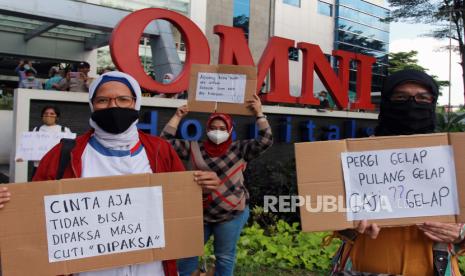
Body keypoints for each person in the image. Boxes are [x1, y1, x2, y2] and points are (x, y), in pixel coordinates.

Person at [30, 71, 221, 276]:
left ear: (136, 103)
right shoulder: (65, 154)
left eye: (123, 99)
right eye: (103, 100)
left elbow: (180, 207)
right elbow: (33, 210)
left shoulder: (159, 150)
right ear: (92, 105)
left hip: (152, 269)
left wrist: (201, 190)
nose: (113, 106)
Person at [332, 69, 464, 275]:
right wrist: (351, 222)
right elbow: (328, 213)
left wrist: (461, 233)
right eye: (401, 97)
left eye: (422, 98)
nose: (411, 105)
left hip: (435, 268)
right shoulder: (356, 156)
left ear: (432, 103)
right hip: (364, 267)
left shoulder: (455, 157)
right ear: (386, 102)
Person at [161, 94, 273, 276]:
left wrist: (259, 113)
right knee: (187, 255)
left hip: (231, 214)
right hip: (198, 214)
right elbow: (164, 143)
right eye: (213, 127)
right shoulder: (193, 147)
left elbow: (266, 140)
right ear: (207, 129)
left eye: (222, 128)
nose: (217, 131)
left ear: (230, 130)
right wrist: (178, 116)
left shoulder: (240, 148)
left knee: (224, 257)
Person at [29, 106, 71, 175]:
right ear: (42, 116)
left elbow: (70, 148)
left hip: (57, 167)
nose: (48, 115)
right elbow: (30, 146)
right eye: (46, 113)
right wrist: (22, 156)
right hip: (39, 167)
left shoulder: (64, 130)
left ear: (57, 117)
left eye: (52, 114)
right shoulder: (36, 129)